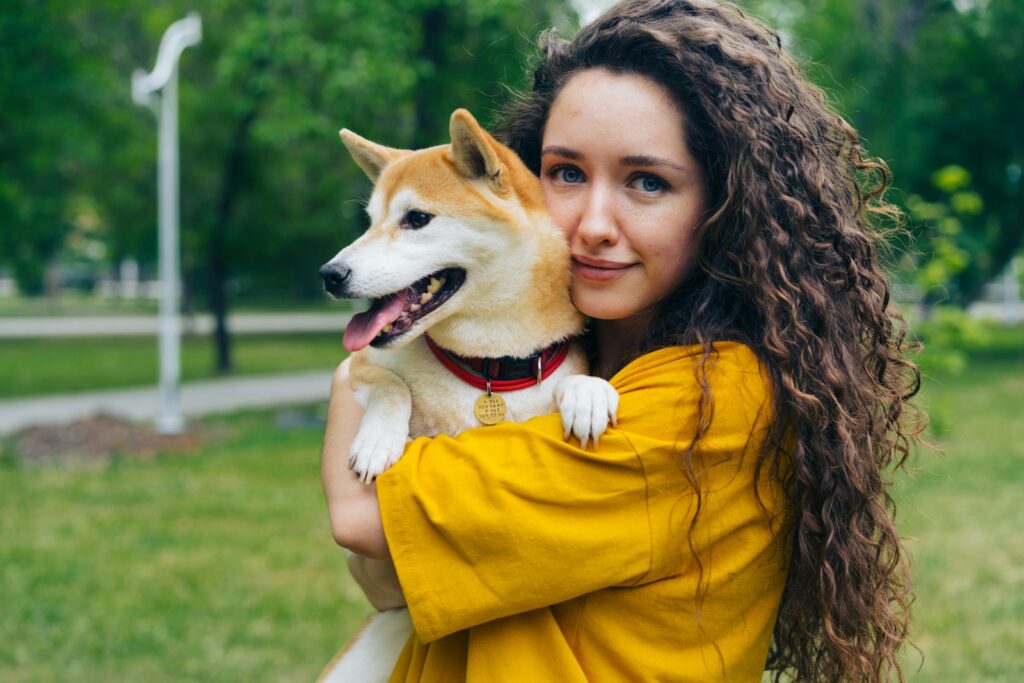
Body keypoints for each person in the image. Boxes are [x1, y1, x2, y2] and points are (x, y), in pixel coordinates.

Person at [321, 1, 923, 681]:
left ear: (727, 206)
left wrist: (366, 375)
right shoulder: (583, 356)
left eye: (647, 181)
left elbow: (364, 514)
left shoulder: (704, 403)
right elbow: (391, 584)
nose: (593, 224)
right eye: (567, 172)